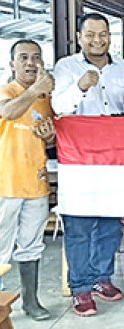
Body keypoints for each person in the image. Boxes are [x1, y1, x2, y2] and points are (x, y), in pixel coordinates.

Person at [52, 13, 124, 316]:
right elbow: (58, 107)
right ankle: (81, 288)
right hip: (79, 158)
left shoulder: (122, 67)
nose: (97, 40)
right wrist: (80, 87)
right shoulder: (65, 67)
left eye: (103, 34)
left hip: (114, 156)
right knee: (80, 225)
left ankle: (102, 277)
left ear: (110, 36)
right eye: (91, 35)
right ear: (79, 36)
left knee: (110, 224)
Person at [0, 40, 55, 320]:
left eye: (36, 57)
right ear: (12, 64)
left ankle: (30, 302)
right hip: (6, 184)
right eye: (23, 58)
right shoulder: (5, 90)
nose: (31, 63)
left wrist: (50, 136)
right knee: (0, 247)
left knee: (31, 244)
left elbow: (50, 135)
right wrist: (35, 90)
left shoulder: (46, 99)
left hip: (36, 183)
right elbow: (8, 112)